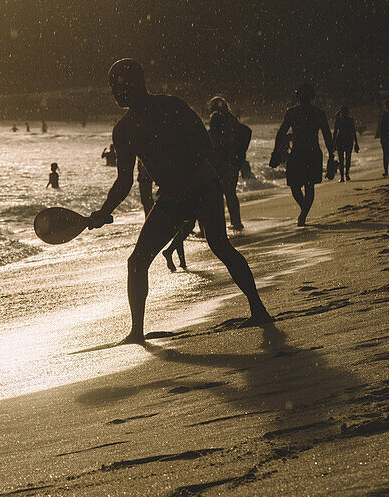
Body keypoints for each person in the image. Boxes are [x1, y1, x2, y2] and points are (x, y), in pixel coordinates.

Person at [87, 59, 273, 343]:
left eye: (119, 85)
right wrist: (103, 211)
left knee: (219, 245)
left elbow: (204, 146)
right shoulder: (125, 129)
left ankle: (259, 310)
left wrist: (182, 175)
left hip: (200, 186)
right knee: (137, 262)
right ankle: (136, 331)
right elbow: (124, 181)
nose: (114, 92)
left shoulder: (170, 106)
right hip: (176, 194)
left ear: (137, 83)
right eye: (112, 86)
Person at [272, 83, 334, 226]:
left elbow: (281, 133)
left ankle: (303, 215)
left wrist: (276, 151)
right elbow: (327, 137)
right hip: (306, 153)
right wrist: (331, 156)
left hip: (302, 153)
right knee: (304, 185)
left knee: (300, 185)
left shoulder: (296, 112)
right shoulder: (313, 113)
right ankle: (304, 212)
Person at [208, 96, 248, 231]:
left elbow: (228, 145)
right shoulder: (231, 122)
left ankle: (231, 223)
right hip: (231, 163)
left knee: (224, 195)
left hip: (226, 164)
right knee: (230, 194)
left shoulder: (226, 124)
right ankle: (235, 222)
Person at [332, 106, 359, 182]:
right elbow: (353, 132)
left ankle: (342, 177)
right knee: (347, 158)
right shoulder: (349, 120)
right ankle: (346, 175)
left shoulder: (338, 120)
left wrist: (332, 144)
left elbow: (335, 133)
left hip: (340, 141)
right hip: (348, 141)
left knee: (341, 159)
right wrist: (356, 143)